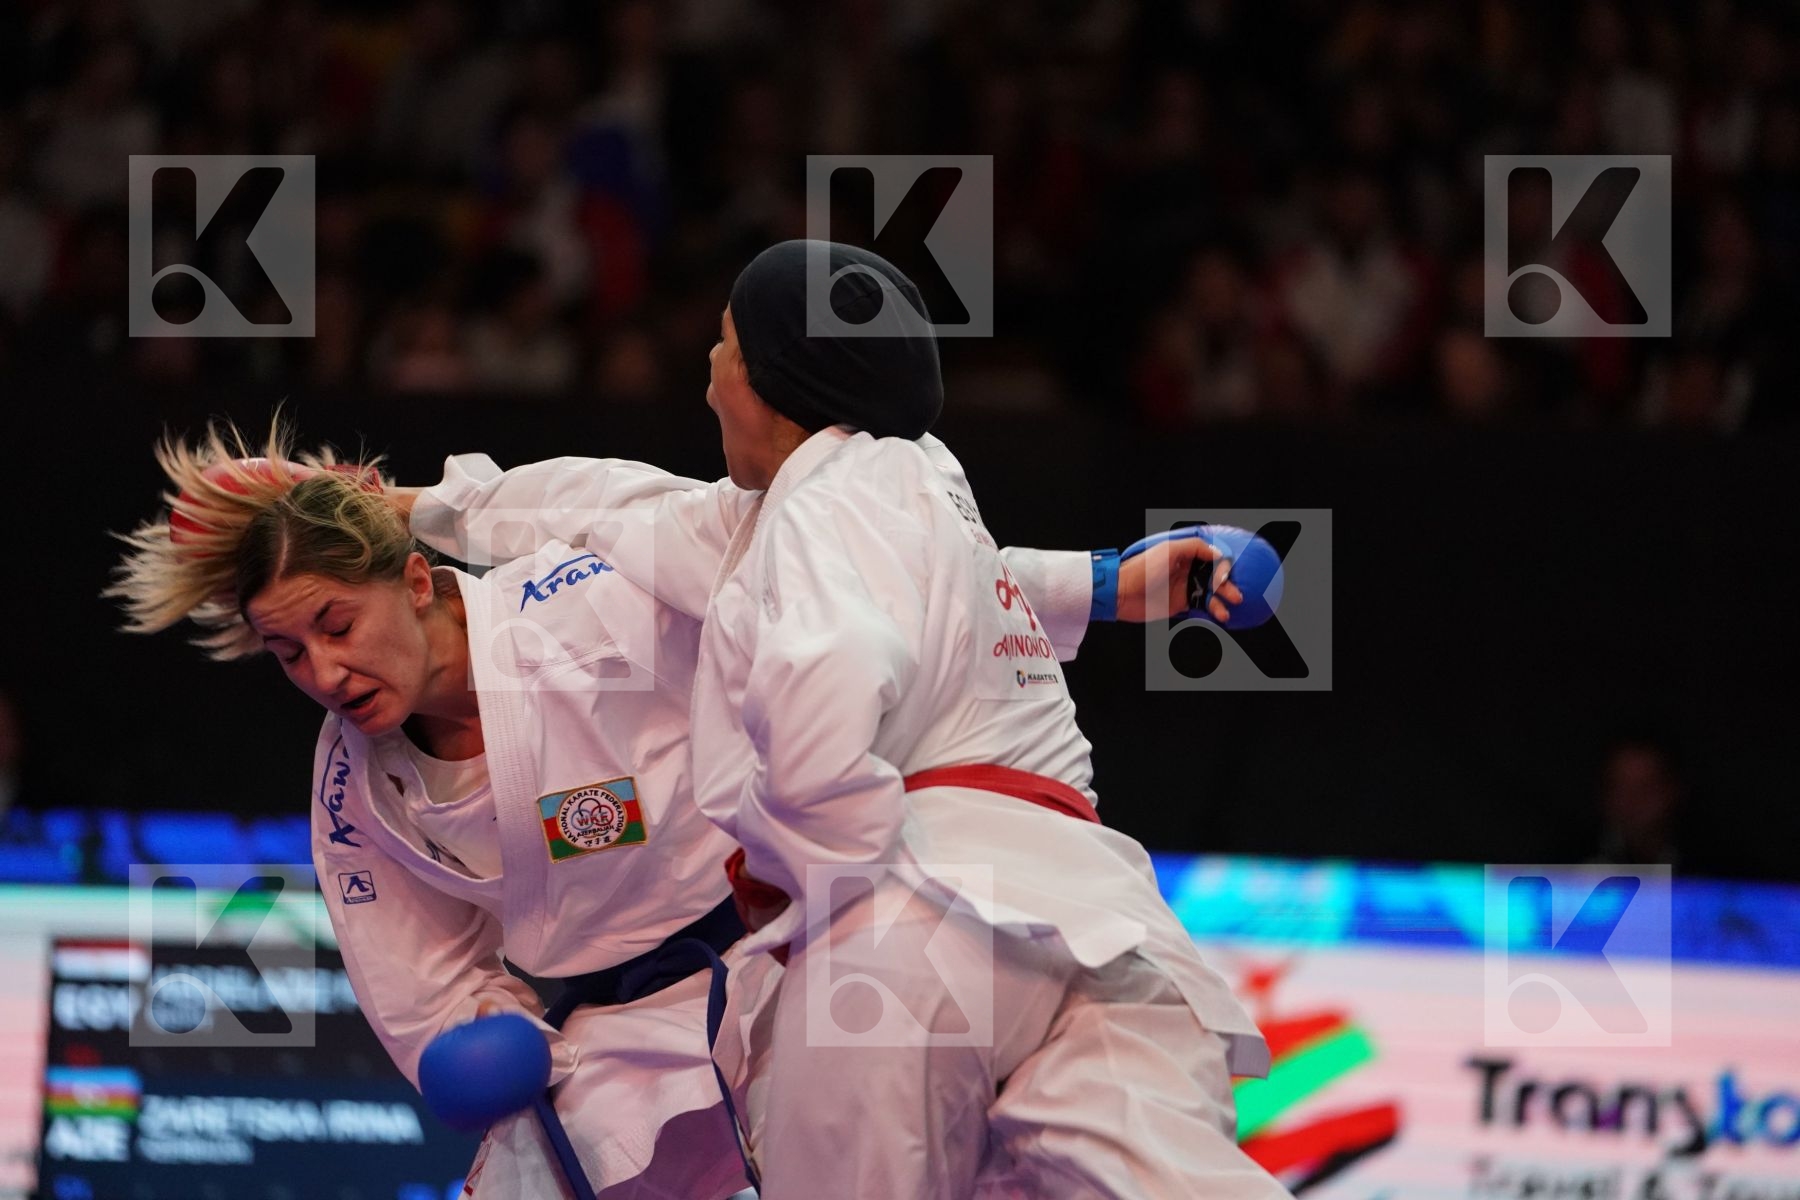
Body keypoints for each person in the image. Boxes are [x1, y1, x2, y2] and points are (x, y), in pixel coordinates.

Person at [107, 422, 1227, 1199]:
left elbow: (838, 568)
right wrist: (470, 1035)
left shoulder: (585, 602)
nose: (320, 669)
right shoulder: (354, 783)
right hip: (617, 1033)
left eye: (333, 623)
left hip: (799, 961)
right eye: (285, 650)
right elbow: (419, 964)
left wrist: (1103, 583)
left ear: (411, 578)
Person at [691, 240, 1288, 1197]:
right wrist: (1104, 585)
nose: (709, 375)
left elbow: (828, 686)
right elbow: (953, 587)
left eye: (722, 346)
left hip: (913, 927)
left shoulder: (821, 497)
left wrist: (820, 889)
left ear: (773, 379)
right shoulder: (926, 481)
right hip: (1106, 934)